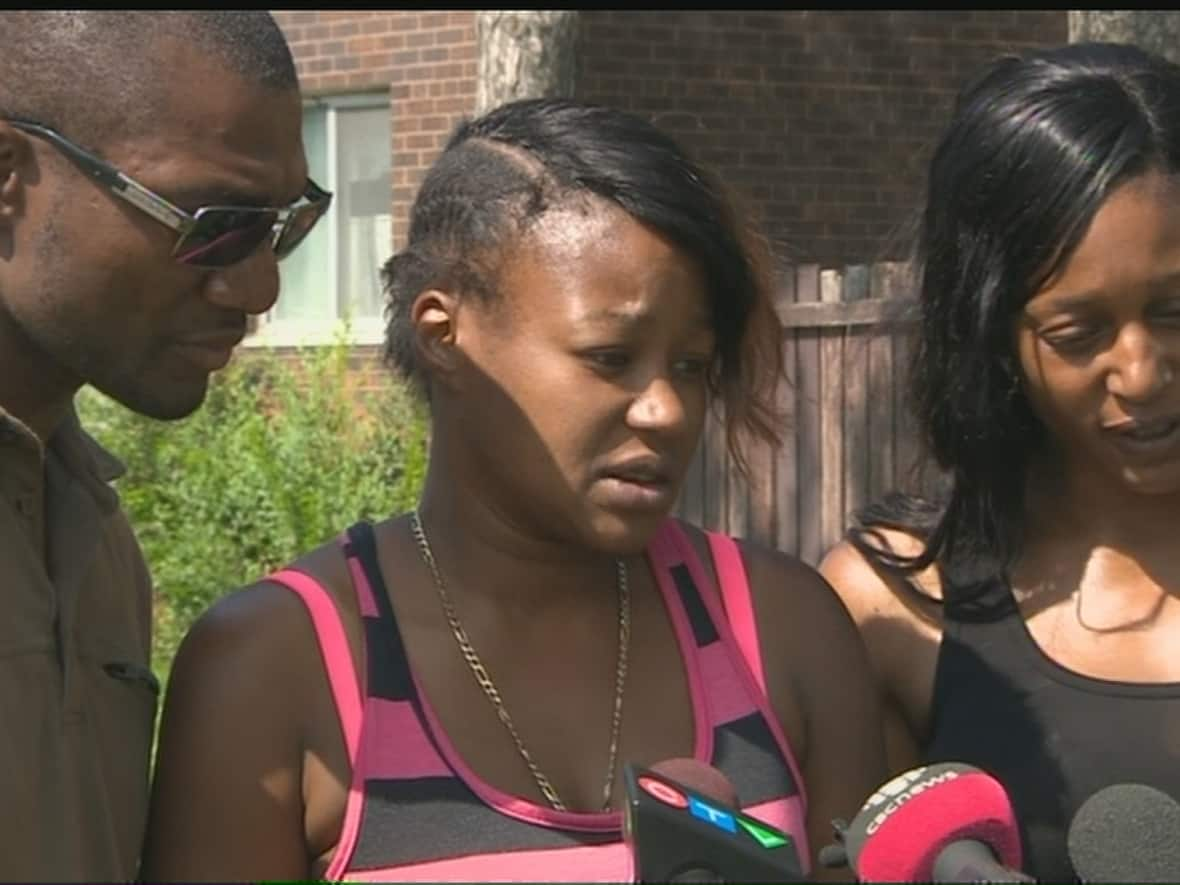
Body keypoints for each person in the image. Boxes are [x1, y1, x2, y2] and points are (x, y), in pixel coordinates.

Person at [141, 97, 886, 882]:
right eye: (610, 356)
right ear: (443, 336)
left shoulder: (785, 629)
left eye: (691, 365)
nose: (666, 410)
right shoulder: (274, 665)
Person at [819, 41, 1180, 883]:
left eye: (1176, 309)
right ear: (988, 337)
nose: (1143, 371)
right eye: (1077, 333)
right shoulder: (894, 608)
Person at [0, 11, 328, 881]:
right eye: (214, 222)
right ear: (8, 177)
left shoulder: (96, 541)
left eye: (282, 225)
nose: (258, 286)